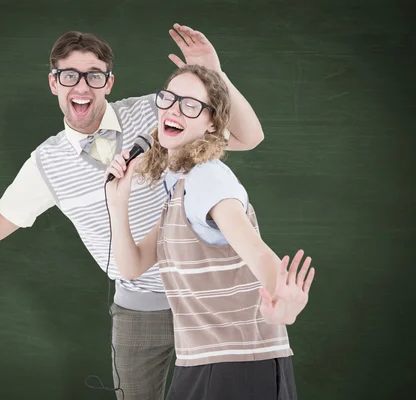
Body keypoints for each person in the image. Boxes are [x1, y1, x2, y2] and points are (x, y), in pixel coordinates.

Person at [0, 24, 266, 399]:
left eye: (94, 76)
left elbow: (248, 137)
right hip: (138, 305)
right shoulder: (46, 163)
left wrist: (215, 75)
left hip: (206, 294)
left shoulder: (157, 111)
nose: (81, 86)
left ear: (109, 82)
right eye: (69, 76)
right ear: (54, 84)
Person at [103, 63, 315, 399]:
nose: (174, 109)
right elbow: (132, 266)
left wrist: (285, 302)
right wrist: (118, 202)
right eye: (169, 99)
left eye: (190, 105)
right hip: (205, 363)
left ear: (212, 123)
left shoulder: (207, 178)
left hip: (237, 367)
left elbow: (259, 253)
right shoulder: (180, 188)